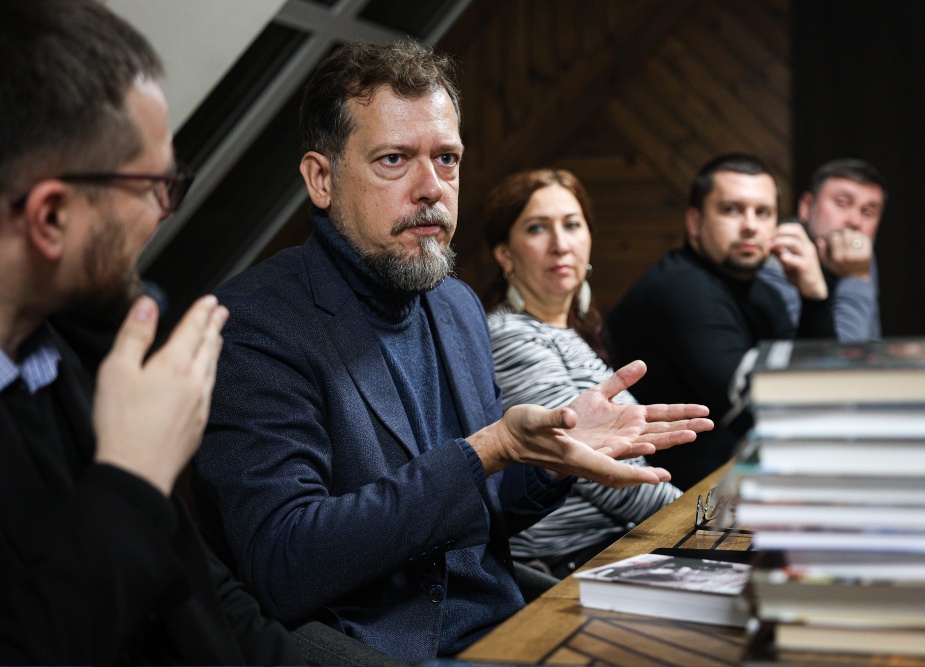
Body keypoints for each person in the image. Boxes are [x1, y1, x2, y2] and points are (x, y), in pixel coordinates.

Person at [191, 41, 713, 664]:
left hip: (507, 627)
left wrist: (548, 462)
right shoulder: (254, 322)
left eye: (447, 159)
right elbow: (283, 561)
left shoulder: (457, 305)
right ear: (321, 179)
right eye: (394, 160)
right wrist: (487, 451)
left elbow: (478, 513)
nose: (431, 189)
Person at [0, 1, 303, 664]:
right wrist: (132, 475)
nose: (166, 210)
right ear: (51, 217)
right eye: (152, 185)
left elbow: (211, 603)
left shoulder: (78, 351)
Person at [481, 168, 709, 578]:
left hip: (619, 542)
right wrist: (701, 517)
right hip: (566, 563)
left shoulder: (575, 331)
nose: (560, 244)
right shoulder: (508, 334)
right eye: (537, 228)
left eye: (572, 225)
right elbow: (591, 470)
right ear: (505, 255)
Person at [606, 154, 835, 491]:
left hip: (728, 484)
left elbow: (817, 388)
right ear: (695, 222)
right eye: (731, 210)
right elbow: (770, 412)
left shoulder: (763, 293)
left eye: (763, 212)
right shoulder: (682, 288)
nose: (750, 226)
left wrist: (815, 297)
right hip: (666, 501)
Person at [758, 158, 887, 342]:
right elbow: (843, 353)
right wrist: (855, 277)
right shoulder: (779, 255)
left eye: (867, 212)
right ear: (806, 207)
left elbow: (870, 345)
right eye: (842, 203)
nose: (855, 221)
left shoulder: (858, 254)